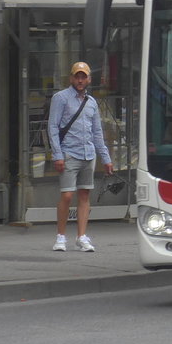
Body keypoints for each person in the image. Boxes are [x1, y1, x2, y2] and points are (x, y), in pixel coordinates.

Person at [47, 61, 113, 252]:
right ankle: (60, 237)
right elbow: (53, 127)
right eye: (77, 76)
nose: (80, 80)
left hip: (88, 154)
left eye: (84, 77)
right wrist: (57, 155)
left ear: (89, 79)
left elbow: (97, 132)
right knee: (67, 195)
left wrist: (106, 158)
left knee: (84, 194)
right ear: (71, 78)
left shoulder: (92, 103)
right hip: (69, 153)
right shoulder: (61, 98)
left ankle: (81, 236)